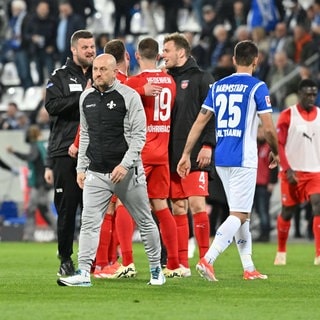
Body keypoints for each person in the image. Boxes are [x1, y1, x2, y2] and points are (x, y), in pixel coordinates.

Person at [57, 53, 165, 287]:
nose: (97, 73)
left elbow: (139, 137)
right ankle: (84, 273)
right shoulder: (86, 97)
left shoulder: (130, 96)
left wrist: (125, 165)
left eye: (103, 69)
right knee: (88, 222)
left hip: (127, 173)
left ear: (115, 71)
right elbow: (85, 134)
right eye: (95, 69)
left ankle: (157, 270)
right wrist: (81, 167)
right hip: (96, 172)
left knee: (145, 221)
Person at [177, 40, 279, 281]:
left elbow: (200, 122)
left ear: (234, 60)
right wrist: (276, 151)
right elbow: (269, 129)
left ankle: (248, 267)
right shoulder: (258, 87)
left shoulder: (219, 86)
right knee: (240, 214)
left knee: (241, 214)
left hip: (221, 159)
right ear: (256, 60)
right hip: (243, 158)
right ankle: (208, 259)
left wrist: (185, 154)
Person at [125, 37, 182, 277]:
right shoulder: (170, 81)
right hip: (162, 151)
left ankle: (127, 263)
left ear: (137, 56)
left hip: (141, 151)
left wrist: (138, 90)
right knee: (162, 205)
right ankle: (175, 264)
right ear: (158, 56)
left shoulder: (134, 82)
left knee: (122, 205)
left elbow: (117, 97)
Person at [162, 32, 215, 276]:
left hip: (195, 153)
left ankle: (206, 260)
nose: (163, 54)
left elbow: (212, 114)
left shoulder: (202, 78)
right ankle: (182, 264)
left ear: (181, 52)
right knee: (178, 208)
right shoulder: (165, 80)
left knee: (196, 204)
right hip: (170, 154)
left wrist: (208, 145)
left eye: (167, 50)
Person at [44, 30, 96, 277]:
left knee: (94, 208)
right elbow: (52, 106)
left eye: (92, 46)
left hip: (96, 151)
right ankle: (65, 257)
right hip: (66, 151)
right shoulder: (60, 76)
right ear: (73, 49)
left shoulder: (101, 74)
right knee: (67, 207)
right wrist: (82, 96)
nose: (90, 51)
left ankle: (95, 259)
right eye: (85, 47)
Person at [274, 78, 320, 266]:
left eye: (314, 94)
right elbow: (279, 144)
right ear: (299, 94)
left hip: (315, 171)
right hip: (292, 172)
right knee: (287, 212)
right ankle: (281, 251)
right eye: (308, 94)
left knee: (318, 205)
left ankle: (318, 254)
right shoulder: (287, 115)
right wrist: (287, 169)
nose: (311, 98)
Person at [6, 124, 57, 241]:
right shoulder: (44, 144)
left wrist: (14, 152)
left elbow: (31, 157)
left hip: (39, 183)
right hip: (46, 181)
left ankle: (28, 235)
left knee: (30, 208)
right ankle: (59, 233)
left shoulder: (36, 145)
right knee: (44, 208)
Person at [253, 124, 278, 242]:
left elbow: (274, 166)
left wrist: (272, 182)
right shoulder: (252, 145)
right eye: (258, 132)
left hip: (264, 183)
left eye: (262, 132)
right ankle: (258, 233)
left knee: (263, 209)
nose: (260, 134)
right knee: (256, 209)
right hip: (252, 183)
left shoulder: (269, 147)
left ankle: (265, 233)